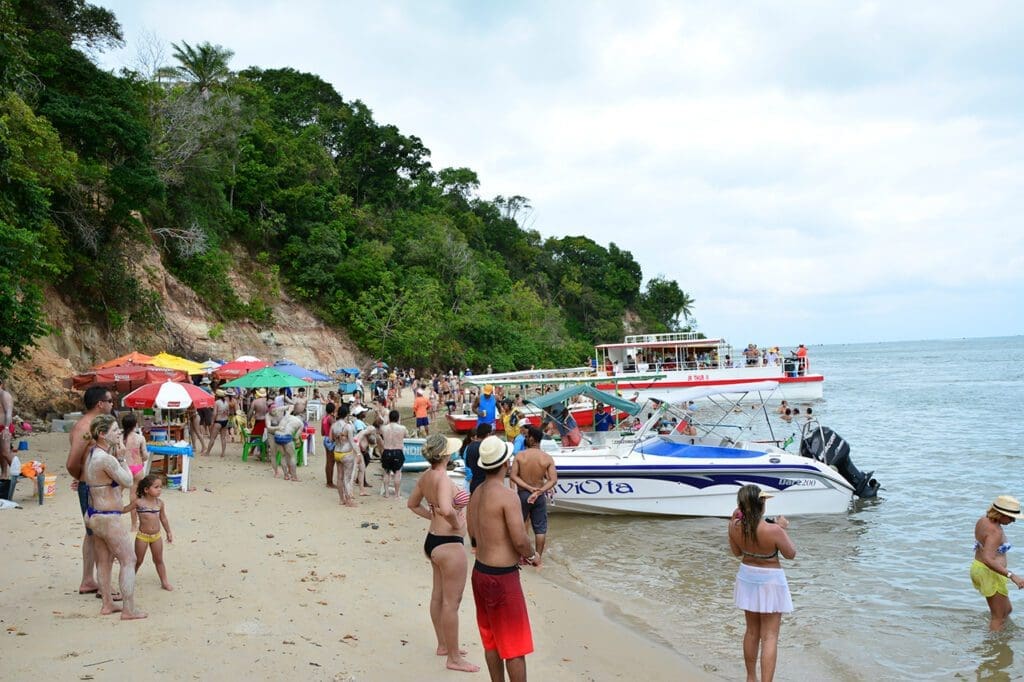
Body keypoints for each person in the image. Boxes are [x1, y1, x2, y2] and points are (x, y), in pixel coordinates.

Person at [466, 435, 537, 681]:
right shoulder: (508, 496)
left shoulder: (476, 493)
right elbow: (519, 540)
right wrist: (532, 554)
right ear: (506, 462)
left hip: (480, 572)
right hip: (502, 578)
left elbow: (473, 534)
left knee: (492, 640)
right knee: (515, 648)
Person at [407, 434, 479, 674]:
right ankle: (454, 657)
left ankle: (443, 644)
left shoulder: (426, 476)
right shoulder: (443, 479)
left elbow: (413, 504)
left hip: (433, 540)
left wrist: (433, 516)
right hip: (449, 543)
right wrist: (456, 523)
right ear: (445, 455)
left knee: (438, 596)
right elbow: (448, 508)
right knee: (452, 602)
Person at [728, 484, 796, 682]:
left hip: (747, 575)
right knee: (770, 636)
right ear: (761, 504)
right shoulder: (773, 529)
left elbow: (736, 552)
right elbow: (791, 554)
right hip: (771, 580)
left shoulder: (734, 526)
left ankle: (751, 678)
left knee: (751, 631)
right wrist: (782, 528)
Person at [81, 414, 146, 619]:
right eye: (115, 430)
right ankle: (128, 609)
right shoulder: (106, 459)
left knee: (104, 560)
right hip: (108, 516)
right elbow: (128, 481)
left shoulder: (92, 453)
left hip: (94, 514)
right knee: (129, 559)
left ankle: (108, 603)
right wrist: (122, 458)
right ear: (102, 434)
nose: (119, 433)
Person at [66, 386, 114, 597]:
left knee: (92, 534)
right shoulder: (85, 427)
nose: (113, 405)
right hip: (92, 488)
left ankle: (88, 579)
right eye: (110, 401)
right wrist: (82, 477)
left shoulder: (95, 425)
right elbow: (71, 462)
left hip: (94, 485)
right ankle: (104, 585)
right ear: (100, 404)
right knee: (102, 536)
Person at [971, 495, 1024, 631]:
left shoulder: (983, 520)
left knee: (1007, 610)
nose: (1012, 521)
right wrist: (1012, 575)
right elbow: (988, 559)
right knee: (999, 617)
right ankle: (995, 645)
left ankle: (1001, 636)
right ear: (999, 514)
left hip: (980, 568)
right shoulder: (995, 531)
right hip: (989, 572)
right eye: (1010, 517)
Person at [509, 426, 558, 567]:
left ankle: (522, 557)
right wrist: (538, 491)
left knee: (520, 525)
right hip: (538, 496)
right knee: (540, 529)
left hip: (523, 494)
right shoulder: (547, 458)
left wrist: (528, 488)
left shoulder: (520, 456)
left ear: (531, 438)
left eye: (527, 436)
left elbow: (513, 476)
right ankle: (538, 559)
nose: (526, 438)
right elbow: (553, 480)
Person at [123, 474, 174, 591]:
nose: (159, 489)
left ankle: (164, 582)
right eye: (156, 487)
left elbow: (163, 518)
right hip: (142, 537)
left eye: (160, 487)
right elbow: (125, 509)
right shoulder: (139, 503)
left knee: (159, 560)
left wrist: (168, 532)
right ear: (146, 490)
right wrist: (113, 508)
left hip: (156, 537)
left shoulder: (160, 503)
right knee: (138, 560)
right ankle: (130, 579)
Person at [121, 414, 149, 530]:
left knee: (116, 493)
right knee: (134, 497)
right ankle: (134, 525)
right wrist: (141, 459)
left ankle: (114, 517)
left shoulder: (119, 438)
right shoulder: (140, 438)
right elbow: (146, 456)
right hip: (137, 468)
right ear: (135, 424)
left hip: (124, 468)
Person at [330, 404, 357, 507]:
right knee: (347, 478)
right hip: (346, 453)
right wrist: (358, 452)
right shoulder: (348, 426)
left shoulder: (334, 425)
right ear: (346, 414)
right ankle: (349, 500)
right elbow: (352, 442)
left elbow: (331, 439)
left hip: (337, 452)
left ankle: (342, 499)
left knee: (339, 477)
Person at [268, 406, 304, 481]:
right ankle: (294, 477)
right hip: (287, 437)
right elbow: (296, 437)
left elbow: (288, 411)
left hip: (277, 435)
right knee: (292, 456)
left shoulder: (287, 416)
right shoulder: (301, 424)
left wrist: (290, 408)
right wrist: (295, 440)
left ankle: (286, 475)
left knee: (283, 456)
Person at [380, 409, 408, 498]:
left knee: (386, 472)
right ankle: (397, 494)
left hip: (387, 451)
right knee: (397, 473)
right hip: (397, 451)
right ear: (398, 418)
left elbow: (381, 433)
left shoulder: (384, 428)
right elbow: (406, 435)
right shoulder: (402, 428)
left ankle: (387, 493)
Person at [464, 423, 494, 495]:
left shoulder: (469, 447)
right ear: (488, 434)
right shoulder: (485, 448)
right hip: (485, 485)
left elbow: (467, 464)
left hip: (474, 483)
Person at [204, 389, 231, 457]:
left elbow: (214, 413)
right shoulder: (226, 402)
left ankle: (207, 452)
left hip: (218, 421)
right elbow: (228, 412)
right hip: (225, 420)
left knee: (212, 438)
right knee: (223, 438)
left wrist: (212, 422)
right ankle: (223, 453)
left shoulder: (216, 402)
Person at [0, 377, 13, 482]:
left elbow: (9, 413)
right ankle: (4, 474)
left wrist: (6, 428)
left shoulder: (4, 395)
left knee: (5, 452)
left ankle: (19, 471)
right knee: (1, 452)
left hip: (5, 427)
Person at [321, 403, 337, 488]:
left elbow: (322, 432)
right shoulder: (331, 418)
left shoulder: (324, 418)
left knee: (328, 462)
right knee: (331, 462)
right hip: (331, 440)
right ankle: (329, 482)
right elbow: (336, 429)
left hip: (326, 439)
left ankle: (328, 481)